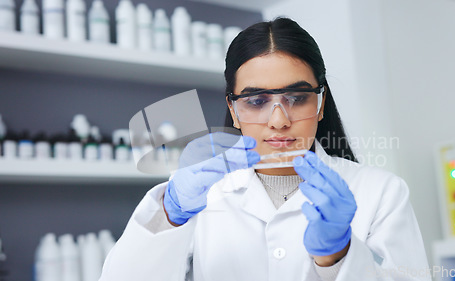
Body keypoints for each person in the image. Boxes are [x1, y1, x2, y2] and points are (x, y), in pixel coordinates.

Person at [99, 18, 430, 281]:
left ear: (320, 102)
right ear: (234, 111)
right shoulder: (202, 193)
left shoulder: (380, 193)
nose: (279, 120)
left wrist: (337, 258)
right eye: (256, 101)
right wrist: (170, 213)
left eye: (297, 97)